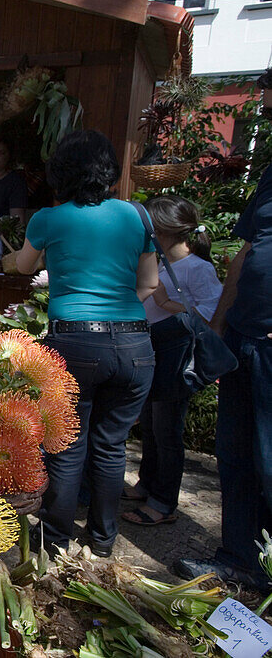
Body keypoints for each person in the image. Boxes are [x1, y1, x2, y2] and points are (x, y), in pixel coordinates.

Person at [16, 129, 158, 558]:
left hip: (76, 342)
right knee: (112, 445)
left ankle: (56, 539)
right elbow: (149, 284)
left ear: (61, 172)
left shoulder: (49, 218)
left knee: (66, 443)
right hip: (135, 346)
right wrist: (116, 315)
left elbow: (23, 266)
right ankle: (102, 540)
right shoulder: (138, 216)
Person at [174, 163, 272, 589]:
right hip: (244, 334)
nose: (264, 97)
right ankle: (239, 559)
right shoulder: (270, 174)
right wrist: (219, 327)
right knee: (235, 455)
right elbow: (248, 252)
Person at [122, 196, 221, 528]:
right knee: (150, 423)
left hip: (176, 355)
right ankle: (148, 484)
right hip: (155, 350)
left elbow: (211, 315)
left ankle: (164, 502)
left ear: (162, 231)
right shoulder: (161, 263)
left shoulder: (199, 268)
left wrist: (167, 303)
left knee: (167, 430)